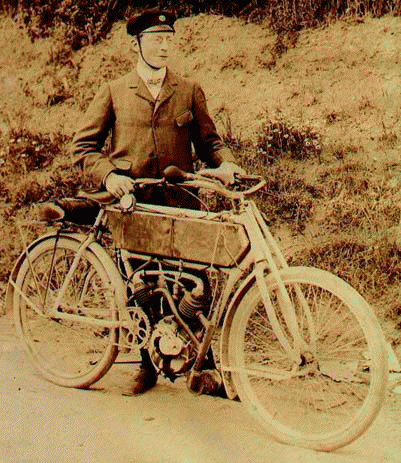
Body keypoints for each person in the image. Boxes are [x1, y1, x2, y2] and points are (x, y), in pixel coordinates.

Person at [72, 8, 244, 394]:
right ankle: (147, 366)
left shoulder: (188, 90)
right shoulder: (115, 90)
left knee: (195, 282)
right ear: (137, 44)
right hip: (134, 206)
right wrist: (110, 176)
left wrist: (226, 165)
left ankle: (203, 365)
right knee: (140, 284)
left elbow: (210, 142)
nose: (163, 46)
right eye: (155, 39)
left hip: (181, 203)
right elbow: (83, 146)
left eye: (168, 40)